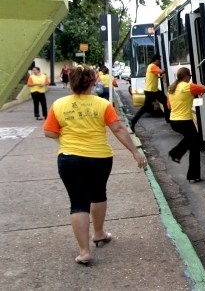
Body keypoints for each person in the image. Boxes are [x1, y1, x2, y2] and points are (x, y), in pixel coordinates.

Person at [42, 65, 147, 266]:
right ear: (92, 82)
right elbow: (118, 128)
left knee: (78, 202)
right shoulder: (102, 104)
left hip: (69, 158)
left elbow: (49, 132)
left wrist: (65, 141)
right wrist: (134, 152)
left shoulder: (58, 105)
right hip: (99, 158)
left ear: (71, 81)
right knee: (98, 193)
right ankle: (98, 233)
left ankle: (84, 252)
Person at [166, 67, 205, 183]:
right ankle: (175, 153)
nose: (190, 78)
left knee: (193, 144)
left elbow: (169, 106)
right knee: (195, 142)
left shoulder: (172, 88)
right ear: (187, 76)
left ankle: (193, 175)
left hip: (174, 121)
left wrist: (187, 101)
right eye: (190, 76)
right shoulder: (188, 86)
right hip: (184, 121)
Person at [129, 54, 170, 130]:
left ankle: (168, 119)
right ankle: (133, 121)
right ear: (156, 60)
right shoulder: (153, 66)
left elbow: (153, 75)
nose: (160, 62)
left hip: (153, 90)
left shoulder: (151, 66)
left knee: (165, 101)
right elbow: (162, 71)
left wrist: (159, 77)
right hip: (151, 91)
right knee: (145, 108)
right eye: (159, 60)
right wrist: (168, 66)